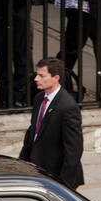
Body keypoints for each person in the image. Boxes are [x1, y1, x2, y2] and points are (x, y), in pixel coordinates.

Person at [18, 57, 84, 189]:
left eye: (42, 76)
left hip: (57, 177)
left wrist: (63, 185)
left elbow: (73, 150)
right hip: (38, 171)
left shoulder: (67, 107)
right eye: (36, 75)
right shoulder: (39, 98)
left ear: (56, 78)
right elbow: (33, 132)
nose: (36, 79)